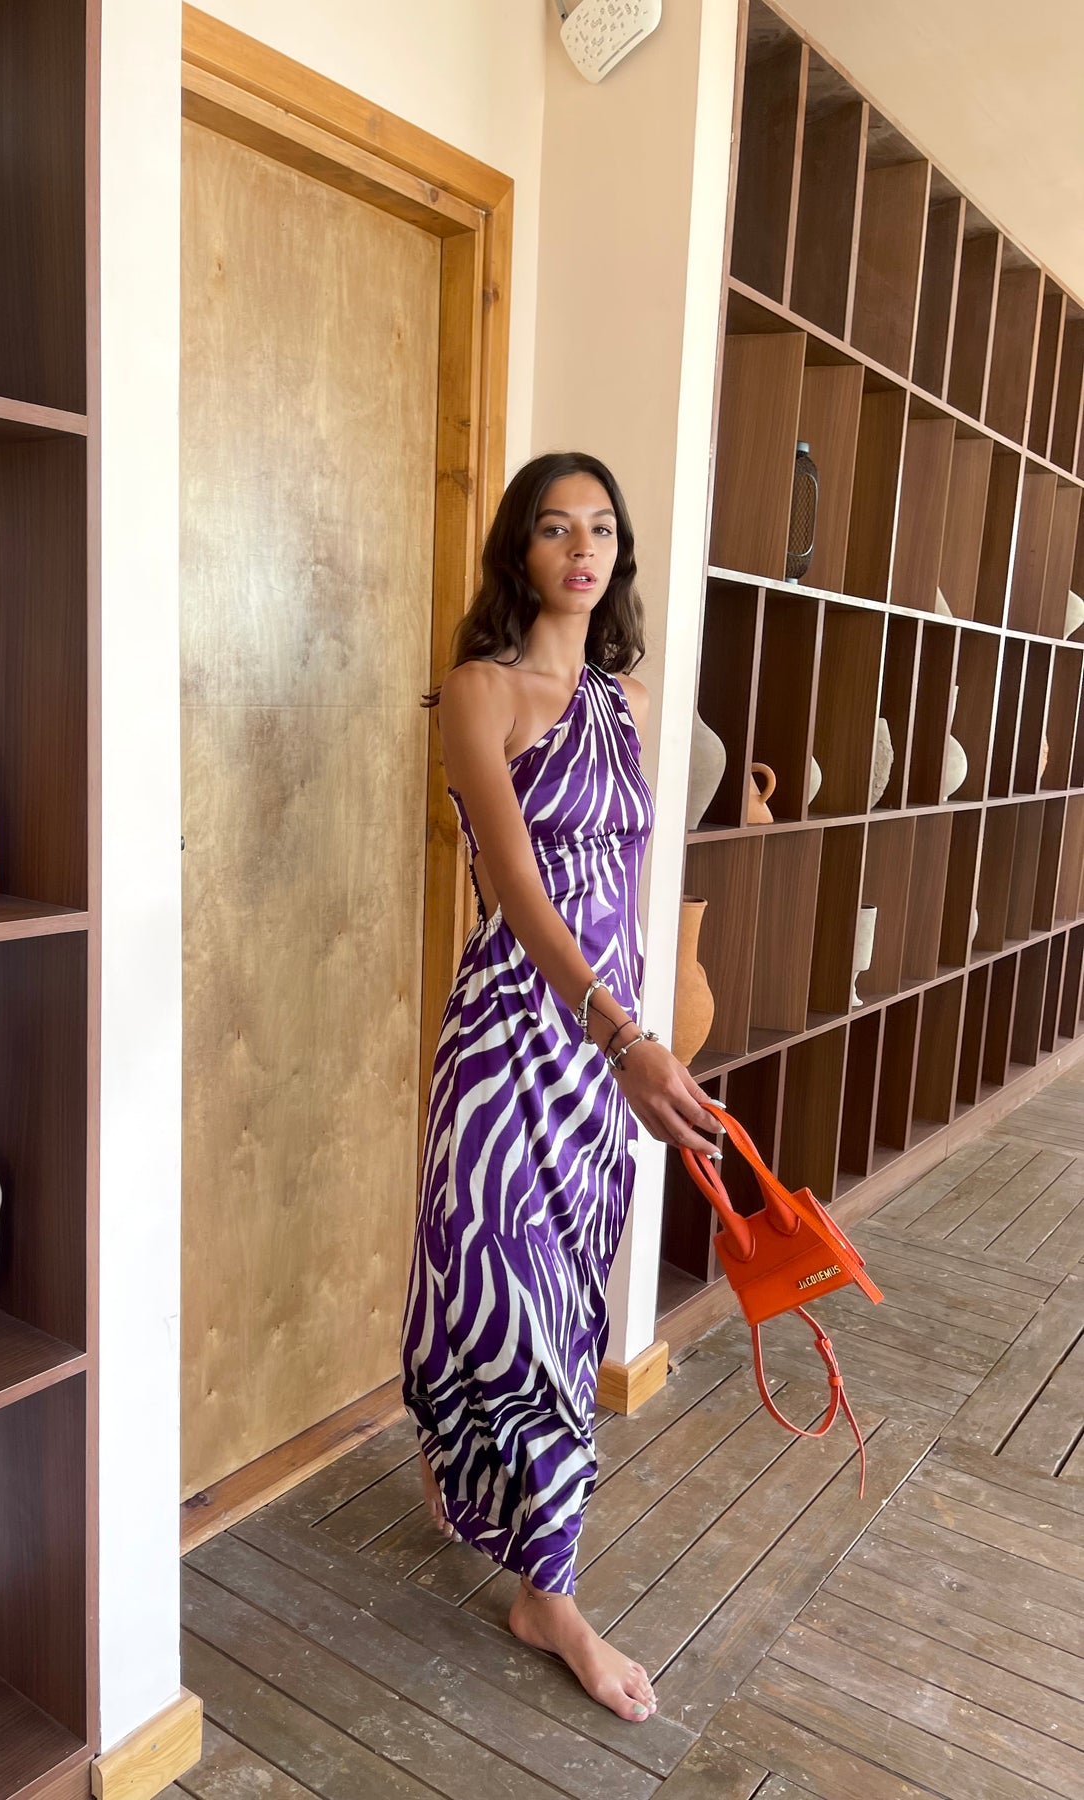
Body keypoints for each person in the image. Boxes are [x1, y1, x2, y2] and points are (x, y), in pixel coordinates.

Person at [399, 450, 719, 1724]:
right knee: (499, 1283)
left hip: (603, 1054)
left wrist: (649, 1035)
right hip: (510, 1037)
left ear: (617, 553)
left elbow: (627, 892)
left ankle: (511, 1527)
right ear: (519, 552)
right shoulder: (479, 691)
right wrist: (620, 1034)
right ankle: (553, 1598)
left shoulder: (625, 703)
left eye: (600, 528)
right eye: (553, 527)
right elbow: (523, 894)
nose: (581, 548)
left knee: (569, 1298)